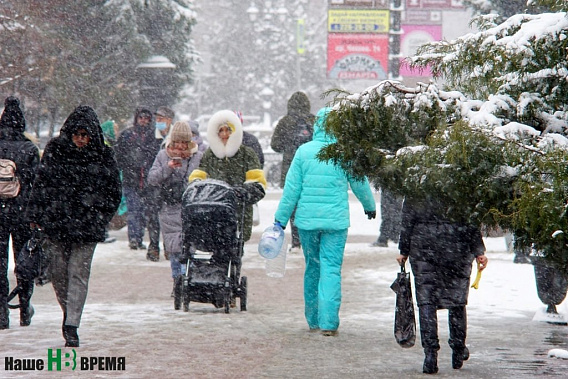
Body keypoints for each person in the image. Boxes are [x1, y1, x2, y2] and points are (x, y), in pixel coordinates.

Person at [274, 107, 376, 337]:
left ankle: (313, 319)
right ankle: (329, 322)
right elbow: (359, 182)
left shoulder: (303, 152)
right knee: (331, 269)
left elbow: (291, 190)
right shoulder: (343, 153)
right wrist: (369, 206)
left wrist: (280, 220)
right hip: (335, 223)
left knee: (313, 268)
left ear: (316, 126)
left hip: (307, 223)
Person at [26, 105, 121, 347]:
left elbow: (113, 192)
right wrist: (36, 214)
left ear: (92, 135)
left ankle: (71, 325)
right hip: (56, 226)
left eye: (85, 135)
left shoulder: (103, 155)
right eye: (76, 134)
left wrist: (100, 216)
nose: (80, 140)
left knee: (78, 274)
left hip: (87, 228)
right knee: (59, 274)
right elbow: (42, 183)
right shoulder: (56, 150)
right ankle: (70, 314)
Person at [396, 195, 488, 374]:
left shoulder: (417, 180)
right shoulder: (460, 179)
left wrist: (404, 250)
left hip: (423, 246)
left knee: (426, 302)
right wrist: (478, 250)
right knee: (457, 301)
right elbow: (471, 219)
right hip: (457, 244)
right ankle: (458, 349)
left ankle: (430, 355)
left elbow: (407, 219)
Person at [188, 109, 266, 250]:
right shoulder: (209, 155)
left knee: (233, 257)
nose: (224, 135)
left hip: (238, 216)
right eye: (221, 131)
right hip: (212, 216)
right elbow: (198, 177)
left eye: (228, 130)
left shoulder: (247, 154)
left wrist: (242, 193)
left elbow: (258, 185)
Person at [148, 121, 203, 302]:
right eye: (177, 142)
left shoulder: (198, 157)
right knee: (174, 247)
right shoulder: (163, 155)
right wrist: (168, 168)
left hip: (191, 207)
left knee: (191, 245)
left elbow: (202, 180)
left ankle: (191, 279)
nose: (180, 146)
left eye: (183, 142)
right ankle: (178, 281)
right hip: (169, 207)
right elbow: (152, 178)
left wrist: (188, 178)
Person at [0, 96, 41, 329]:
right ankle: (25, 307)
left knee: (0, 262)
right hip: (22, 213)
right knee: (24, 262)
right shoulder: (29, 148)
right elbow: (37, 184)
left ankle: (1, 314)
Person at [271, 91, 315, 253]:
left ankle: (296, 242)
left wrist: (288, 144)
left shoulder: (285, 122)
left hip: (291, 170)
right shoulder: (314, 121)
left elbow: (275, 145)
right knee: (310, 205)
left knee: (293, 206)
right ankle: (310, 240)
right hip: (311, 171)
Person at [114, 107, 161, 252]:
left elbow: (156, 155)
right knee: (134, 210)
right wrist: (127, 167)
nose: (143, 121)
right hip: (131, 180)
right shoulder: (127, 135)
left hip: (147, 181)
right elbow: (119, 154)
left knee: (145, 212)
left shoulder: (154, 136)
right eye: (141, 118)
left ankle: (139, 238)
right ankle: (134, 238)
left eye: (146, 118)